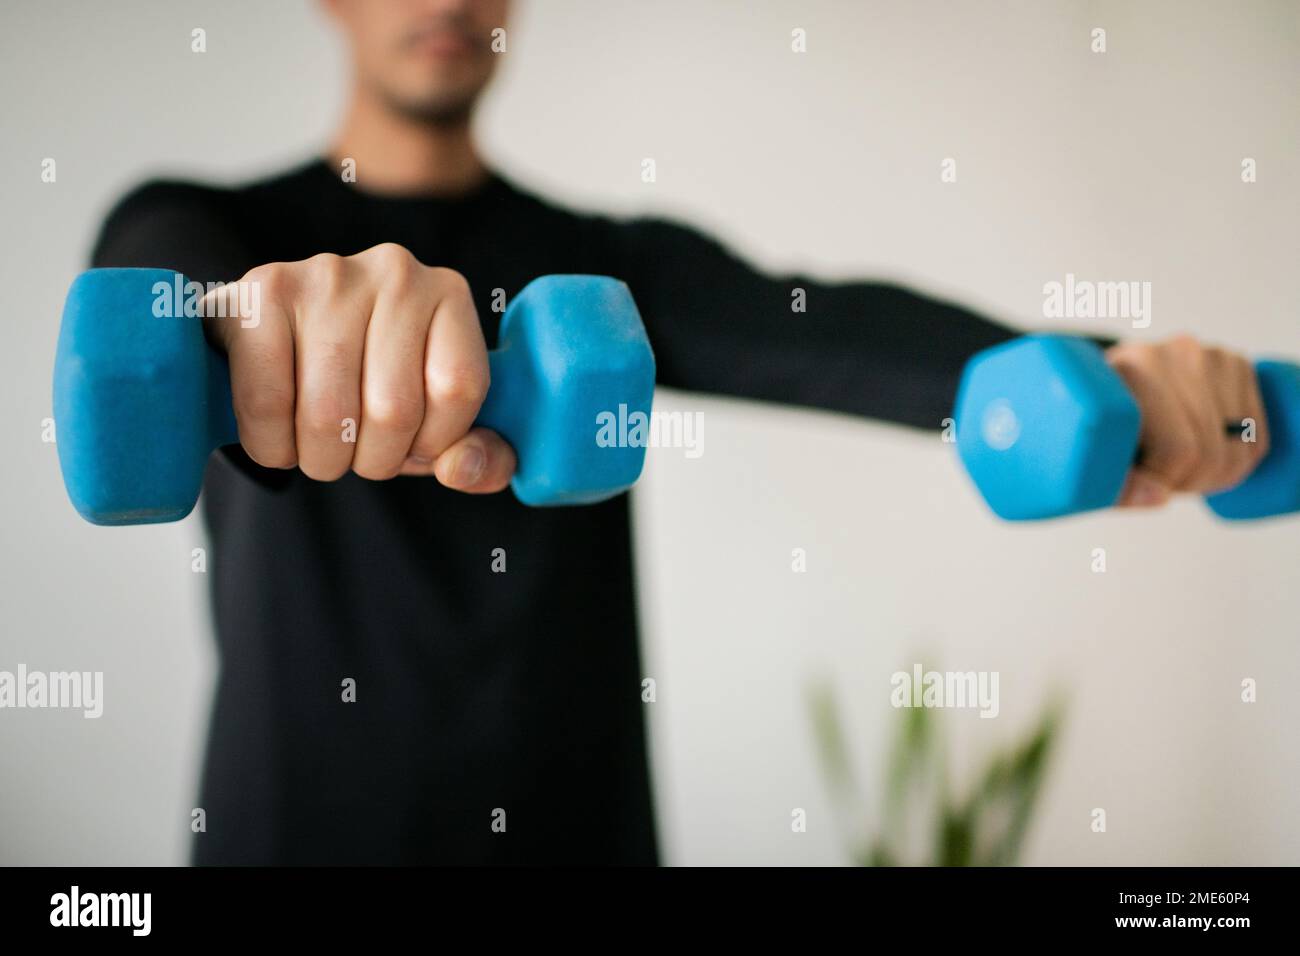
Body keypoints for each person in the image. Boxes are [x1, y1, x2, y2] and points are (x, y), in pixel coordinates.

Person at [90, 0, 1270, 864]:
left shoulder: (612, 266)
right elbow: (161, 284)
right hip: (290, 834)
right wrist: (253, 315)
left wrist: (1115, 377)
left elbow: (844, 336)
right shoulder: (206, 225)